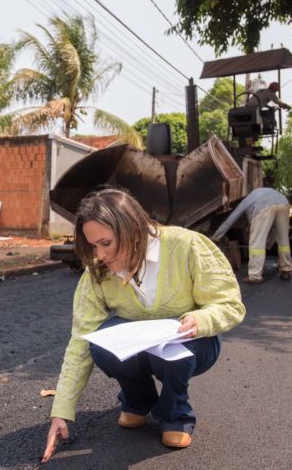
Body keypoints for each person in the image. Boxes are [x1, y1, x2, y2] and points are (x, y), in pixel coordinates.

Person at [42, 188, 245, 462]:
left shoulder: (189, 246)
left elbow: (231, 305)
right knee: (98, 344)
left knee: (175, 357)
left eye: (105, 243)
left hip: (194, 341)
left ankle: (176, 415)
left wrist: (201, 319)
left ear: (132, 229)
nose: (99, 255)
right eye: (93, 246)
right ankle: (138, 401)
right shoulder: (97, 272)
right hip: (137, 345)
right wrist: (61, 410)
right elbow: (80, 339)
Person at [211, 187, 292, 284]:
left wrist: (216, 237)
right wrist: (269, 244)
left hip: (264, 207)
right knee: (283, 241)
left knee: (257, 243)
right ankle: (286, 269)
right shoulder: (260, 194)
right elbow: (273, 232)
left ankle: (255, 275)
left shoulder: (247, 200)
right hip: (283, 203)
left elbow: (232, 217)